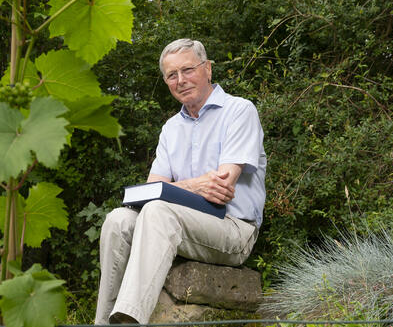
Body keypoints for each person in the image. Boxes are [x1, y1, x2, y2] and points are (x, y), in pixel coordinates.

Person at [95, 38, 267, 325]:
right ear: (166, 82)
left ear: (208, 69)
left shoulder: (239, 111)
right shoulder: (171, 128)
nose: (181, 80)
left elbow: (221, 189)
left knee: (158, 211)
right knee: (118, 220)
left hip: (233, 229)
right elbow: (149, 193)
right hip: (186, 224)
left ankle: (128, 321)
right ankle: (102, 323)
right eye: (172, 75)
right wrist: (194, 185)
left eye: (188, 70)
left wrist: (174, 189)